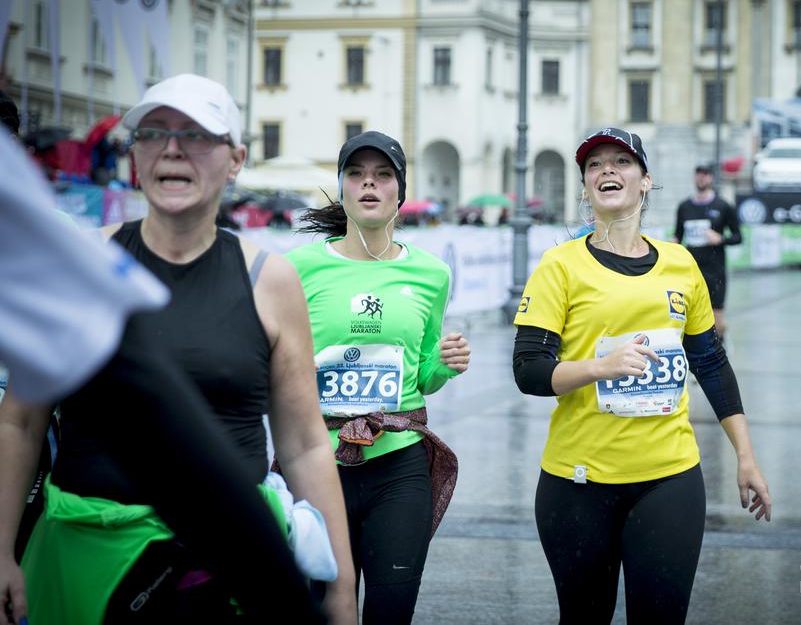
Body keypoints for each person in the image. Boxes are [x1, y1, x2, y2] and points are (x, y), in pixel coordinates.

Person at [1, 74, 358, 624]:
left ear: (235, 159)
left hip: (224, 565)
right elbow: (20, 424)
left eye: (196, 135)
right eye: (153, 132)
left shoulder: (271, 280)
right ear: (135, 157)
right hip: (82, 559)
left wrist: (341, 583)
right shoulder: (81, 265)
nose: (172, 148)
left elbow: (307, 443)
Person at [513, 127, 771, 623]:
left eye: (622, 162)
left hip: (669, 477)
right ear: (586, 187)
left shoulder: (680, 264)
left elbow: (711, 363)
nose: (607, 169)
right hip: (578, 482)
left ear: (646, 181)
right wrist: (600, 367)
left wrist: (746, 456)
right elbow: (528, 370)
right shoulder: (559, 266)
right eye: (595, 165)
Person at [290, 131, 470, 624]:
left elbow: (424, 375)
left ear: (400, 192)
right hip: (318, 463)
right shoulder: (298, 268)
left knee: (391, 612)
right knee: (324, 609)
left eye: (383, 175)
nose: (369, 183)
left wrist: (445, 364)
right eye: (357, 174)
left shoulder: (431, 274)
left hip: (398, 465)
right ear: (343, 189)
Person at [674, 163, 743, 340]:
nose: (701, 178)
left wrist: (720, 238)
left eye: (705, 174)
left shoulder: (723, 206)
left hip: (715, 271)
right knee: (688, 316)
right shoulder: (684, 207)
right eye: (698, 174)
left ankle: (721, 346)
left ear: (711, 178)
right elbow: (678, 237)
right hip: (690, 271)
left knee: (717, 320)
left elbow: (738, 237)